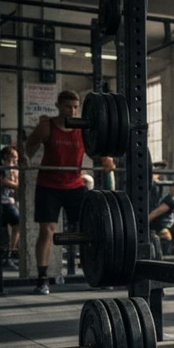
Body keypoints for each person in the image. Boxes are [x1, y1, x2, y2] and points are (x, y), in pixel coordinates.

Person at [24, 90, 114, 294]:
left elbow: (99, 151)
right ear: (58, 106)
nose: (72, 111)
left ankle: (97, 272)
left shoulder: (84, 129)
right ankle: (42, 279)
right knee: (47, 231)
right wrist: (26, 158)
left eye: (75, 107)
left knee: (92, 229)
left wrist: (106, 159)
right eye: (68, 106)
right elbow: (30, 145)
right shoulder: (47, 126)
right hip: (48, 186)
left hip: (74, 185)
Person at [148, 180, 174, 255]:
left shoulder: (169, 199)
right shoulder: (171, 200)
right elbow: (157, 212)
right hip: (162, 230)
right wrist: (144, 222)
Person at [0, 146, 21, 267]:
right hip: (2, 203)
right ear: (7, 157)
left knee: (13, 225)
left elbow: (16, 182)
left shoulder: (12, 169)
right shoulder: (2, 168)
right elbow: (7, 183)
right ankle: (9, 252)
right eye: (14, 157)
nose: (16, 159)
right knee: (17, 223)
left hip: (6, 203)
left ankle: (9, 253)